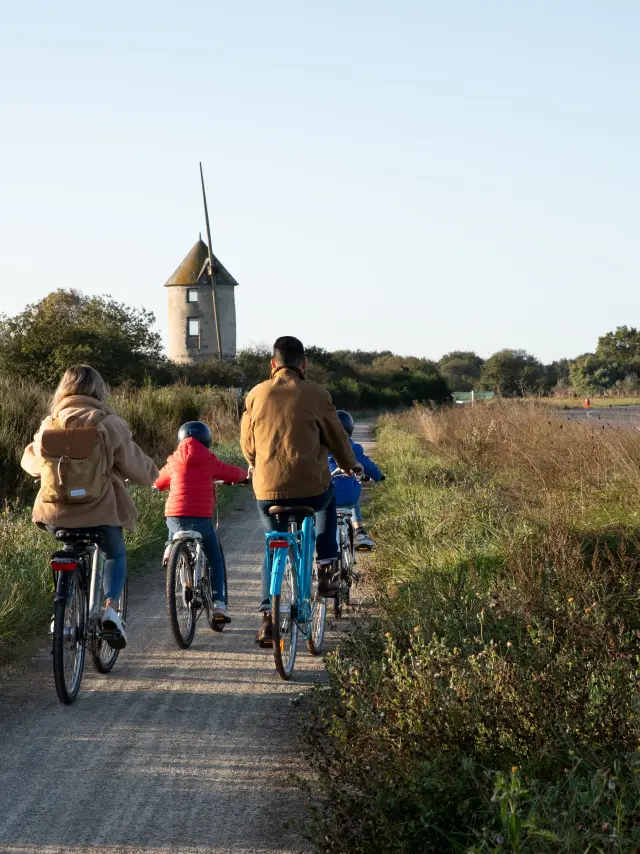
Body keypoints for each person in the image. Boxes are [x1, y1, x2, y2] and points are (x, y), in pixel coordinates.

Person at [21, 365, 159, 649]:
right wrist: (157, 475)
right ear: (98, 390)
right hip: (100, 511)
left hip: (55, 514)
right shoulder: (108, 424)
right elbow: (138, 468)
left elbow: (32, 464)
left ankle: (65, 609)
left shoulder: (50, 424)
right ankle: (110, 609)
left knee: (67, 547)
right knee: (115, 554)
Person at [241, 335, 361, 646]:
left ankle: (267, 618)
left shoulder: (255, 394)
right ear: (303, 364)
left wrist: (257, 463)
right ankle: (325, 568)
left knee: (273, 544)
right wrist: (350, 466)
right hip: (311, 487)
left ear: (273, 364)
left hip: (267, 490)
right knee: (328, 501)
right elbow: (337, 438)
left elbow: (247, 445)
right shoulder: (318, 394)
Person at [155, 421, 249, 623]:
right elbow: (232, 472)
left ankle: (170, 547)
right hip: (201, 519)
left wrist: (157, 485)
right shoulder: (209, 460)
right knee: (214, 557)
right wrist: (244, 477)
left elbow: (159, 482)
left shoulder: (172, 461)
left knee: (173, 519)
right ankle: (218, 604)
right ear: (206, 440)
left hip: (176, 518)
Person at [328, 410, 384, 551]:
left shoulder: (319, 448)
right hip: (348, 497)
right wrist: (379, 476)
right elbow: (367, 465)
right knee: (353, 501)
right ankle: (359, 532)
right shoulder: (352, 447)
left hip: (325, 494)